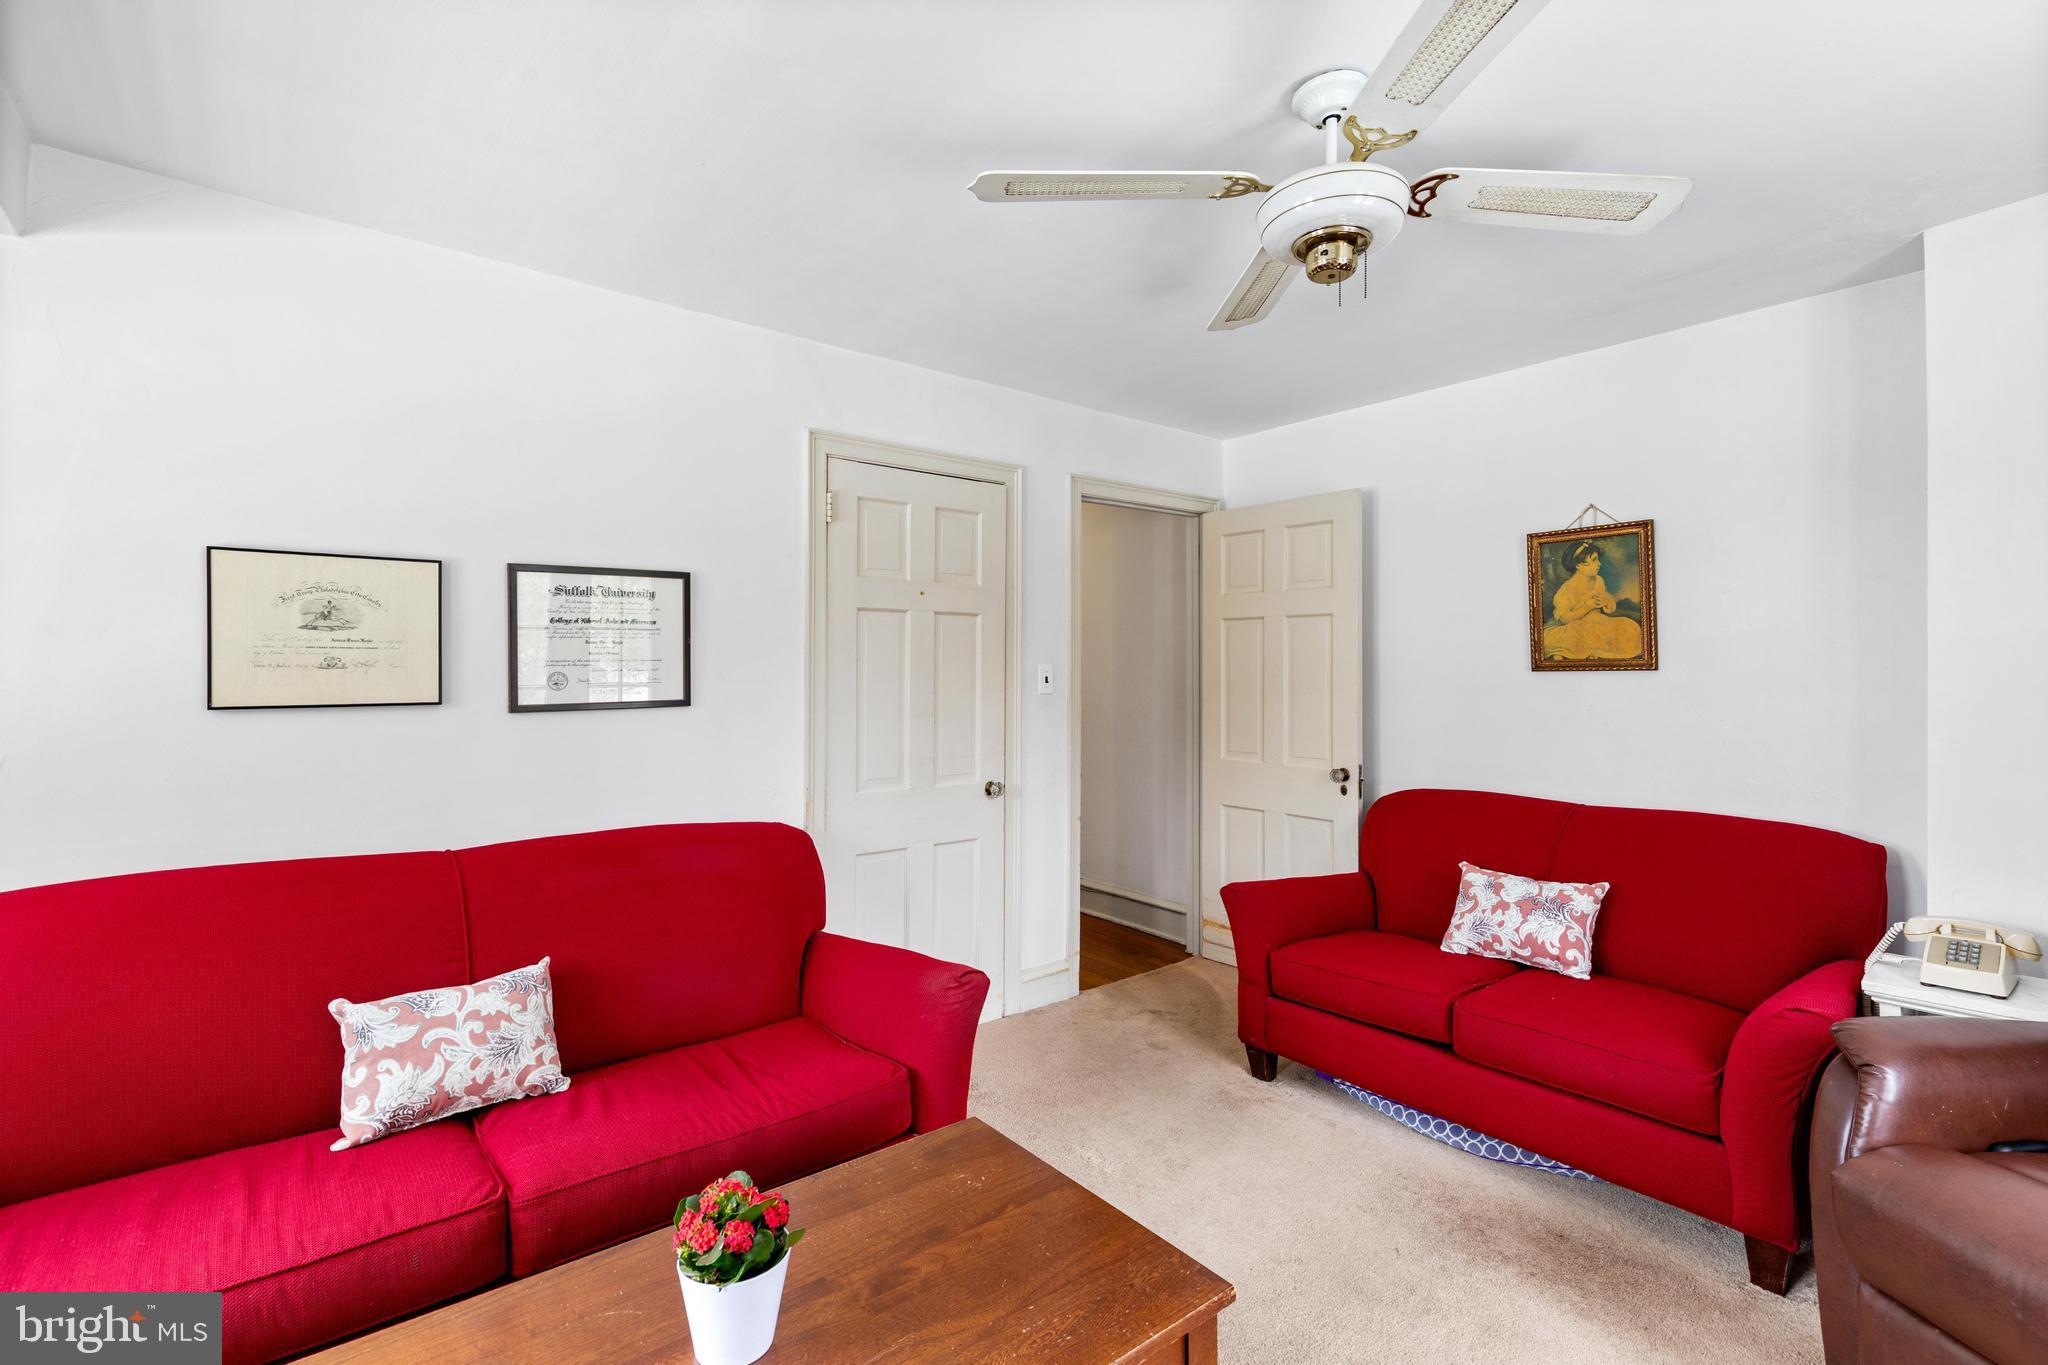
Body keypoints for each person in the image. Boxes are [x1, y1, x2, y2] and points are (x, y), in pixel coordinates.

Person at [1542, 542, 1642, 660]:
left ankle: (1589, 651)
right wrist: (1587, 607)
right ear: (1578, 565)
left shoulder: (1598, 580)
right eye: (1594, 560)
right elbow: (1564, 619)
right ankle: (1570, 651)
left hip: (1598, 622)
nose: (1599, 564)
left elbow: (1608, 605)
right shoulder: (1566, 589)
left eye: (1597, 559)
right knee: (1585, 633)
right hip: (1577, 627)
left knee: (1631, 627)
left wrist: (1607, 602)